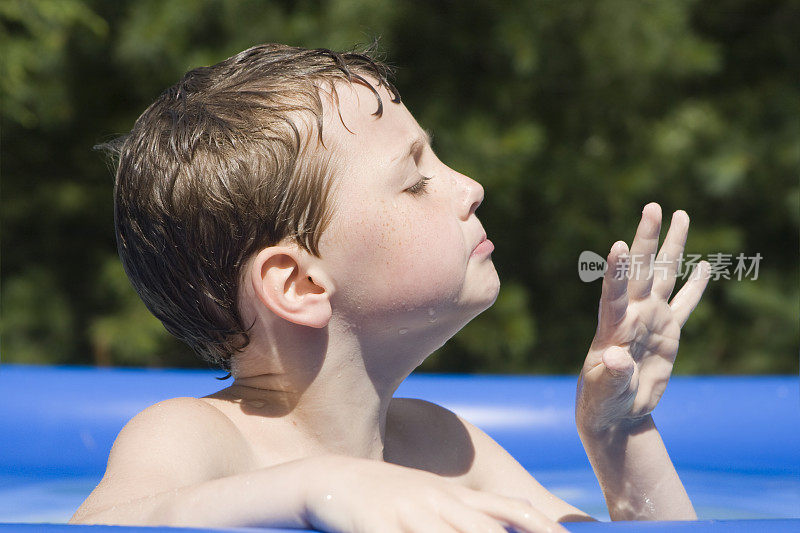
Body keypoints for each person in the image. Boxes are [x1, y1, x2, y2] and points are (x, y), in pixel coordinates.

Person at [69, 43, 710, 532]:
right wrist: (321, 488)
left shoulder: (442, 447)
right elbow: (102, 526)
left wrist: (621, 435)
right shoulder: (196, 436)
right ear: (298, 282)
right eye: (415, 180)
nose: (470, 187)